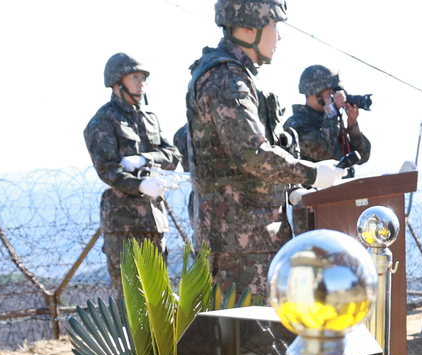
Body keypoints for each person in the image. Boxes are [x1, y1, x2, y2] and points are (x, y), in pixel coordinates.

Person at [184, 0, 346, 301]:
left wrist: (292, 184)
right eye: (274, 26)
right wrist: (311, 173)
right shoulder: (225, 79)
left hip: (251, 238)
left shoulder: (238, 76)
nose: (279, 36)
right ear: (249, 28)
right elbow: (252, 153)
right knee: (249, 342)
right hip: (240, 245)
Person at [84, 53, 182, 287]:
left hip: (154, 223)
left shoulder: (150, 118)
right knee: (131, 301)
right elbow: (107, 169)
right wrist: (138, 185)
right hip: (123, 226)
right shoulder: (103, 121)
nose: (141, 83)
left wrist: (144, 159)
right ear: (117, 83)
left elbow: (173, 155)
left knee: (158, 299)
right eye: (134, 77)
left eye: (144, 78)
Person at [284, 65, 371, 168]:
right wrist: (331, 111)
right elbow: (324, 151)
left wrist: (352, 125)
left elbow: (362, 156)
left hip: (344, 183)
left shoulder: (331, 121)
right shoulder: (296, 124)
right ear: (314, 92)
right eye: (331, 93)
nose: (335, 97)